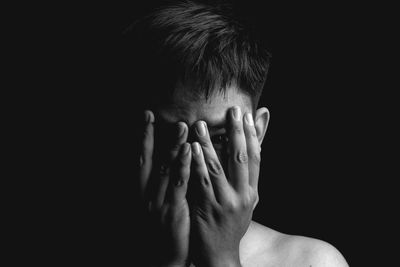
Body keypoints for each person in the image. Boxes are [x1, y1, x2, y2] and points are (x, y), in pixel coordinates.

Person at [127, 1, 349, 266]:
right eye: (170, 137)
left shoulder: (310, 261)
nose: (195, 169)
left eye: (219, 138)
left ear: (258, 132)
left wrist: (222, 260)